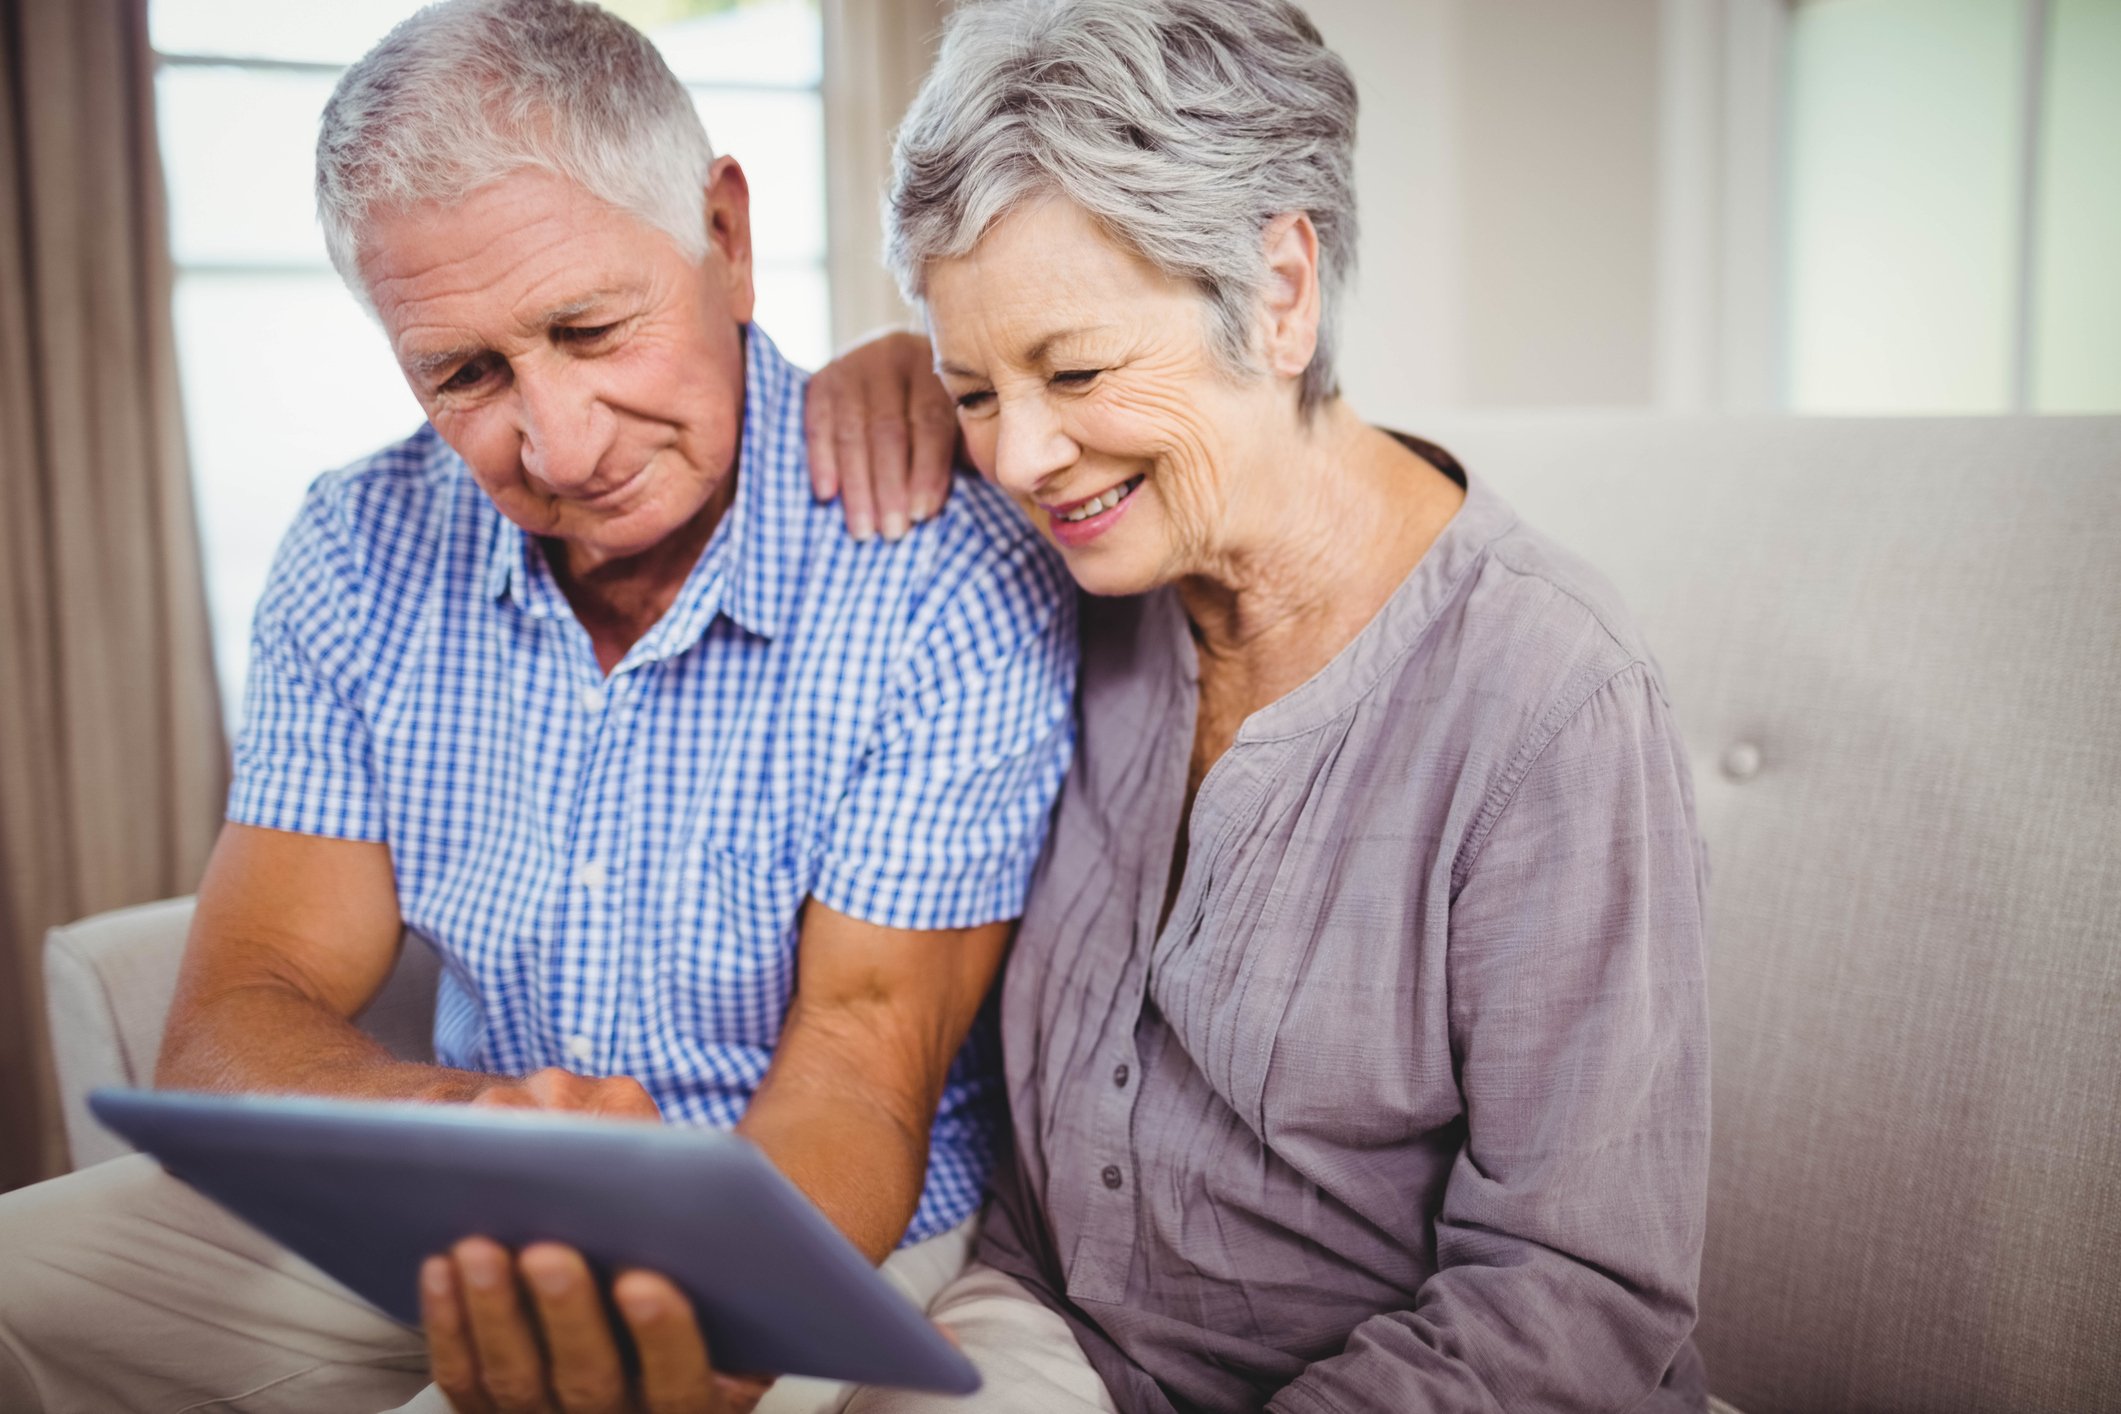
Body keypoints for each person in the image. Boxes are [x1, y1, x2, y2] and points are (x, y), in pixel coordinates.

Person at [497, 0, 1715, 1409]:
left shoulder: (1548, 701)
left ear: (1278, 290)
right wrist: (892, 380)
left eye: (1074, 370)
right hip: (1041, 1330)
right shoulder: (1057, 574)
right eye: (970, 387)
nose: (1017, 454)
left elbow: (1572, 1300)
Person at [0, 2, 1074, 1412]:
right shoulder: (358, 547)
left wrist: (689, 1300)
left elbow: (863, 1067)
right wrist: (473, 1128)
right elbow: (236, 1013)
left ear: (725, 236)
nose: (558, 446)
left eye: (590, 326)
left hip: (816, 1224)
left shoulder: (937, 566)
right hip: (436, 1214)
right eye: (467, 372)